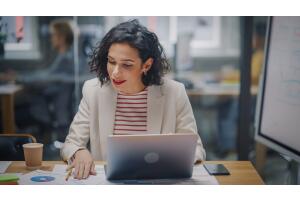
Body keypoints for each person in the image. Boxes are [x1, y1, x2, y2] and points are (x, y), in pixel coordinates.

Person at [61, 19, 206, 179]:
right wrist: (79, 151)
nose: (115, 72)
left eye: (127, 65)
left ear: (147, 65)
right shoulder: (93, 91)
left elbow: (196, 149)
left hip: (158, 181)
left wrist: (174, 156)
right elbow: (71, 143)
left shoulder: (174, 92)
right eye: (111, 61)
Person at [216, 22, 266, 158]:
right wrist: (229, 75)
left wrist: (227, 76)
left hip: (254, 101)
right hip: (252, 97)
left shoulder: (261, 55)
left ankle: (231, 151)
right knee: (224, 105)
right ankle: (226, 147)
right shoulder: (256, 55)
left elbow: (251, 76)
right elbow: (246, 72)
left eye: (253, 36)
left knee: (229, 110)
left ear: (260, 38)